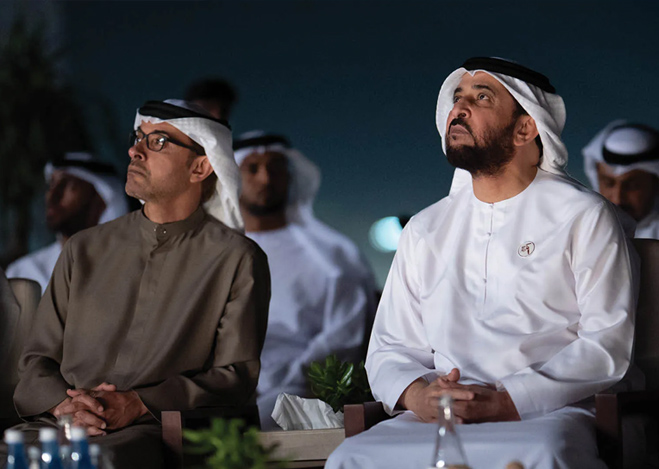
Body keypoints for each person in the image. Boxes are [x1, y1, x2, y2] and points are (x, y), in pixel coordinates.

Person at [326, 57, 637, 469]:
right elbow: (390, 347)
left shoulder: (583, 215)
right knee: (352, 457)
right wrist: (418, 395)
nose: (459, 109)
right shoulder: (425, 229)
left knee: (543, 454)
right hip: (439, 416)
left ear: (525, 128)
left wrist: (508, 400)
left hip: (547, 411)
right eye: (457, 98)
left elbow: (606, 342)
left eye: (481, 98)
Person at [2, 100, 270, 468]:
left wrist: (140, 403)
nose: (134, 150)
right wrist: (64, 404)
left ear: (200, 167)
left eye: (158, 141)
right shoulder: (83, 249)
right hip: (57, 424)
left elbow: (235, 376)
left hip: (153, 430)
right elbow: (37, 359)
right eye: (138, 138)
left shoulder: (236, 258)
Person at [233, 131, 377, 429]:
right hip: (226, 391)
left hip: (306, 394)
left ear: (290, 176)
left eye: (275, 168)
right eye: (252, 169)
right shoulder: (213, 252)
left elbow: (345, 336)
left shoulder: (334, 256)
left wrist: (287, 382)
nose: (265, 179)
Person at [6, 152, 129, 294]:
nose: (52, 195)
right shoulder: (22, 272)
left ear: (101, 197)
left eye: (66, 184)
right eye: (51, 184)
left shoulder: (130, 267)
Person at [583, 120, 659, 238]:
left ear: (655, 184)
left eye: (632, 186)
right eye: (608, 183)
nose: (617, 198)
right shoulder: (581, 229)